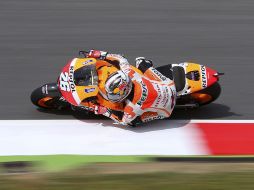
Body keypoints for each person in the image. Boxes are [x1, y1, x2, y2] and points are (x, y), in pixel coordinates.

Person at [81, 50, 176, 126]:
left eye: (114, 96)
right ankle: (146, 65)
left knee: (132, 122)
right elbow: (121, 58)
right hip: (168, 85)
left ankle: (159, 114)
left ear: (124, 92)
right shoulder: (130, 73)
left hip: (166, 110)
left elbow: (123, 121)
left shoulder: (130, 108)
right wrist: (102, 54)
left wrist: (105, 111)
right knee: (140, 62)